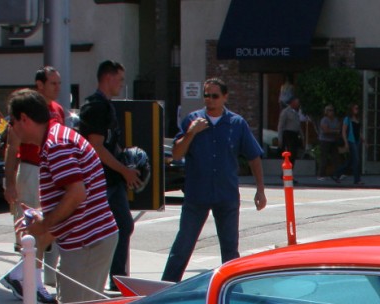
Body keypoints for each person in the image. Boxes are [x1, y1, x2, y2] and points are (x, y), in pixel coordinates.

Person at [6, 88, 119, 304]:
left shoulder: (56, 144)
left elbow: (77, 193)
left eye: (12, 122)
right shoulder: (57, 137)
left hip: (87, 241)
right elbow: (74, 192)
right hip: (86, 240)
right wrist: (41, 213)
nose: (11, 129)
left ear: (24, 119)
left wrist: (44, 224)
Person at [160, 78, 266, 282]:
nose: (209, 100)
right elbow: (175, 154)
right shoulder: (193, 120)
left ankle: (233, 289)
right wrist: (191, 133)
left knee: (229, 249)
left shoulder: (236, 123)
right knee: (183, 244)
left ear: (225, 97)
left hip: (226, 195)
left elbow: (253, 156)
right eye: (206, 95)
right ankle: (166, 286)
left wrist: (260, 189)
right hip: (196, 194)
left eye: (214, 96)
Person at [3, 66, 67, 303]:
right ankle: (33, 281)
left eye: (59, 83)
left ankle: (21, 274)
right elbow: (12, 148)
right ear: (39, 85)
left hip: (51, 170)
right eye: (53, 83)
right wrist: (9, 182)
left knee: (53, 224)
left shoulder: (58, 110)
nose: (58, 88)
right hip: (31, 170)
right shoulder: (26, 110)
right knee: (33, 226)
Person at [79, 60, 141, 289]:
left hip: (110, 179)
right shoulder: (97, 106)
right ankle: (112, 279)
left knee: (122, 226)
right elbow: (96, 145)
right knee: (106, 229)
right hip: (101, 179)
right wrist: (124, 170)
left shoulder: (104, 105)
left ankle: (117, 279)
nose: (122, 84)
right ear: (108, 78)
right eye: (120, 79)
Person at [334, 103, 363, 185]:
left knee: (350, 161)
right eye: (355, 108)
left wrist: (364, 140)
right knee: (356, 160)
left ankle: (337, 173)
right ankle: (357, 179)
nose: (357, 110)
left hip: (357, 141)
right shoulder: (347, 119)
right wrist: (346, 142)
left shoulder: (357, 119)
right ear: (351, 109)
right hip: (351, 140)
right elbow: (343, 131)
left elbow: (359, 131)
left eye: (357, 108)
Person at [278, 97, 306, 161]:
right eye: (297, 103)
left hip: (295, 135)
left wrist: (302, 137)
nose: (298, 105)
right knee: (290, 153)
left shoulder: (296, 113)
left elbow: (298, 126)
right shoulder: (286, 112)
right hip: (288, 134)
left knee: (294, 154)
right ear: (293, 103)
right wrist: (280, 139)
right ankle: (287, 170)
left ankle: (291, 168)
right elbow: (280, 126)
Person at [317, 105, 340, 180]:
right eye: (329, 110)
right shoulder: (324, 120)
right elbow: (326, 130)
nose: (331, 112)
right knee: (324, 157)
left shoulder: (335, 120)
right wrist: (335, 131)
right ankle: (321, 175)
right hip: (324, 140)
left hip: (333, 140)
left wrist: (333, 131)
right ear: (326, 112)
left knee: (335, 157)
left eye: (332, 110)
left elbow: (338, 128)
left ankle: (337, 174)